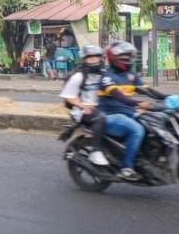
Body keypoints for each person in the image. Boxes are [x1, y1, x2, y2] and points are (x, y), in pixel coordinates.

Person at [97, 40, 157, 181]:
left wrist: (169, 98)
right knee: (137, 130)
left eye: (129, 57)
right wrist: (140, 103)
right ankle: (126, 168)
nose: (128, 60)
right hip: (109, 116)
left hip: (127, 114)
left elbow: (148, 91)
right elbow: (122, 98)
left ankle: (143, 158)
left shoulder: (131, 76)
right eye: (124, 57)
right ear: (113, 58)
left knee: (154, 124)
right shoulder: (107, 77)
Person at [59, 45, 109, 167]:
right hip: (81, 111)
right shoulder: (78, 76)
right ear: (84, 59)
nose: (93, 59)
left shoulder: (104, 74)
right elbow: (68, 97)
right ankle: (95, 151)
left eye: (96, 57)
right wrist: (82, 106)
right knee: (100, 117)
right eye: (90, 57)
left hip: (100, 107)